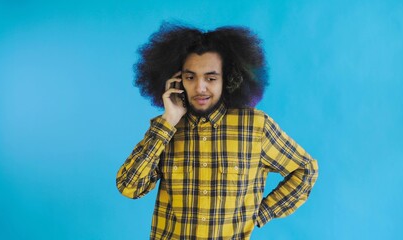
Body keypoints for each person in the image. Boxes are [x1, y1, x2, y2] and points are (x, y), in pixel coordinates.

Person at [116, 22, 319, 239]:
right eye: (190, 77)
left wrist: (262, 214)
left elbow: (305, 169)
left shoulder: (255, 128)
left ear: (228, 79)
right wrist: (168, 122)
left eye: (211, 78)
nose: (200, 87)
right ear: (177, 80)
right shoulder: (165, 128)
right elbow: (129, 187)